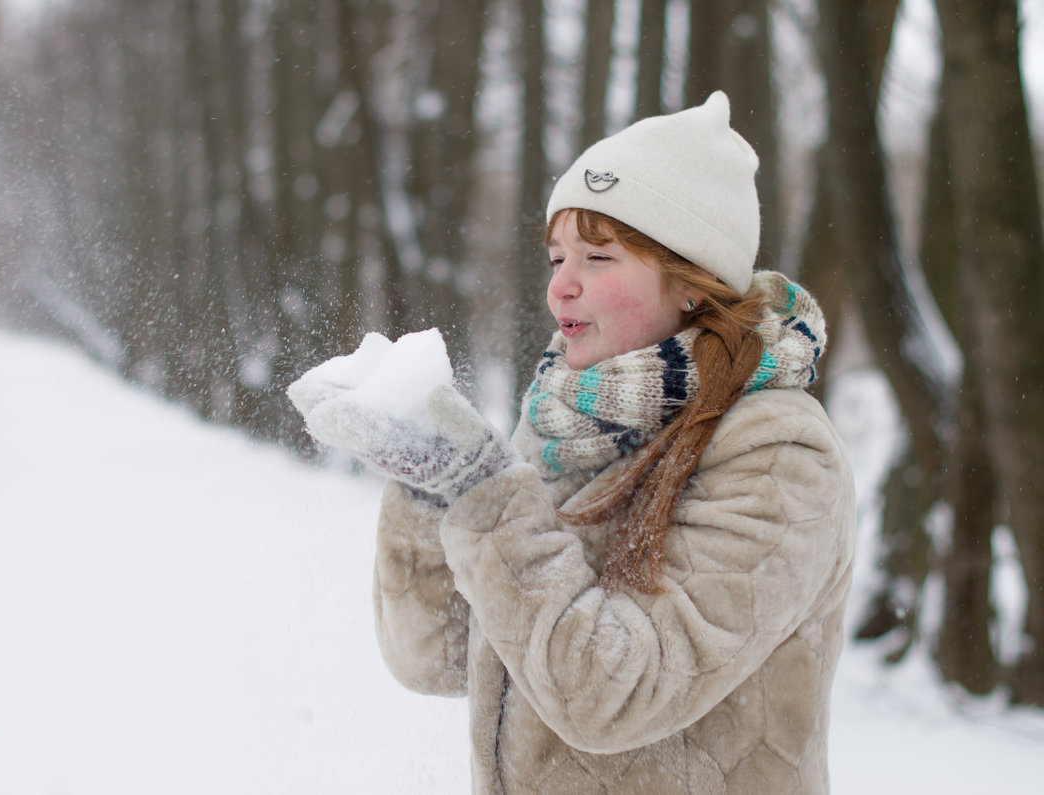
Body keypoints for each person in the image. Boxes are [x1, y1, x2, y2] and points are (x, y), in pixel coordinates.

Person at [288, 92, 855, 794]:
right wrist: (429, 486)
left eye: (598, 256)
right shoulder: (566, 419)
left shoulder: (779, 453)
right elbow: (435, 656)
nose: (562, 287)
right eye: (557, 257)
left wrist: (487, 497)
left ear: (690, 281)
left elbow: (612, 694)